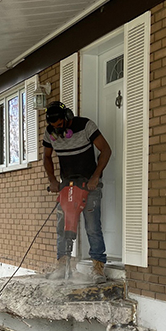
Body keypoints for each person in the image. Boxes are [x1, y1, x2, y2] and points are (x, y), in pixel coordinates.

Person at [42, 101, 112, 283]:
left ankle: (98, 267)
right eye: (53, 126)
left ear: (67, 117)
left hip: (89, 184)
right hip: (67, 185)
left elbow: (105, 150)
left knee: (92, 226)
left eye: (59, 125)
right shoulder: (50, 133)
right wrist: (52, 180)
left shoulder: (85, 126)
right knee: (63, 227)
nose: (56, 129)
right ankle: (63, 266)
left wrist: (96, 176)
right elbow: (47, 157)